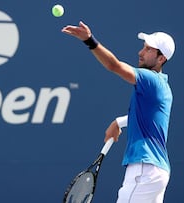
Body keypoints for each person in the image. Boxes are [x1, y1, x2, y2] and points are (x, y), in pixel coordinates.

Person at [62, 21, 175, 203]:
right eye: (143, 48)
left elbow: (113, 65)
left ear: (161, 59)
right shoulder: (163, 86)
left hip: (144, 169)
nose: (140, 53)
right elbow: (146, 120)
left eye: (148, 50)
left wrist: (89, 40)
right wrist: (118, 122)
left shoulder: (149, 79)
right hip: (157, 171)